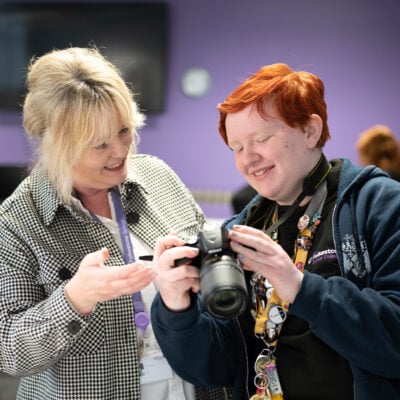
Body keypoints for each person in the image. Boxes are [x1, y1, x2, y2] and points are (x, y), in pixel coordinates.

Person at [150, 63, 400, 399]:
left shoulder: (379, 204)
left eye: (262, 139)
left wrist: (300, 288)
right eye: (237, 148)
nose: (248, 159)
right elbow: (214, 368)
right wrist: (176, 309)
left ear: (311, 130)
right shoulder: (241, 230)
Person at [0, 47, 230, 400]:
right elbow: (11, 352)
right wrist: (76, 297)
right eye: (100, 144)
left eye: (124, 131)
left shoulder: (157, 176)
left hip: (192, 385)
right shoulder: (16, 222)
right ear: (57, 146)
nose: (121, 151)